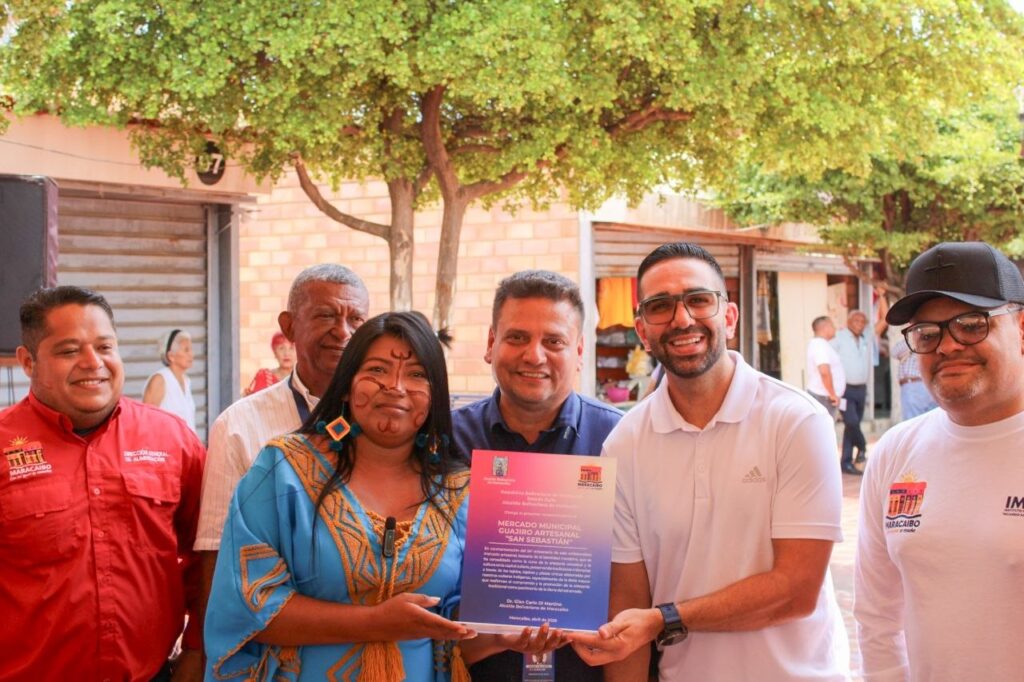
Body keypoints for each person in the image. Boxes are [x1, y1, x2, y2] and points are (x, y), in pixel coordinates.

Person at [205, 311, 563, 680]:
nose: (395, 386)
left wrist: (499, 637)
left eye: (417, 375)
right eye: (377, 370)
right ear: (347, 385)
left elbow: (452, 637)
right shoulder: (283, 472)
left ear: (435, 395)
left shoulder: (459, 492)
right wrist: (376, 622)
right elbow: (244, 610)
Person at [570, 242, 848, 681]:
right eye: (660, 306)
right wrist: (648, 623)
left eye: (698, 300)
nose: (682, 319)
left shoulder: (796, 421)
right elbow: (627, 607)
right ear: (642, 331)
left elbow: (796, 591)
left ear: (729, 317)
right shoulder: (625, 444)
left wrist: (665, 619)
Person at [0, 286, 205, 681]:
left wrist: (197, 648)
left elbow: (210, 552)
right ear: (27, 361)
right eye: (69, 351)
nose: (93, 363)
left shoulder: (172, 439)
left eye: (105, 347)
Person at [855, 241, 1024, 680]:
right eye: (927, 334)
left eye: (971, 325)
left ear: (1021, 328)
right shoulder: (894, 452)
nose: (947, 346)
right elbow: (877, 616)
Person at [452, 269, 622, 682]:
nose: (534, 356)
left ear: (579, 351)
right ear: (491, 344)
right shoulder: (448, 439)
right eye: (517, 337)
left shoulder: (619, 440)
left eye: (554, 341)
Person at [194, 264, 370, 597]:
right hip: (273, 619)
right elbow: (215, 552)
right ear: (289, 326)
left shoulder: (388, 420)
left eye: (356, 320)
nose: (343, 332)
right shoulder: (239, 426)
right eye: (326, 316)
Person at [832, 304, 886, 471]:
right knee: (852, 422)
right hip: (844, 389)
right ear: (849, 322)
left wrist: (882, 296)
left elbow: (885, 320)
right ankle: (862, 447)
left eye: (863, 321)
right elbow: (828, 360)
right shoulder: (839, 336)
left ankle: (846, 462)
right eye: (856, 320)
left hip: (861, 389)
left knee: (851, 427)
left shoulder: (866, 336)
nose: (860, 324)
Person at [143, 328, 197, 432]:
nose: (192, 354)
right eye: (186, 350)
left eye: (191, 349)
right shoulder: (159, 380)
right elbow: (146, 421)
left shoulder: (186, 381)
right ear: (171, 356)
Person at [806, 315, 846, 421]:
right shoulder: (819, 345)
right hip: (823, 397)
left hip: (824, 396)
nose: (835, 328)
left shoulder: (821, 344)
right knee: (823, 428)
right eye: (832, 326)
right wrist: (832, 394)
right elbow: (824, 372)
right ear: (826, 327)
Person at [890, 337, 937, 420]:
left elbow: (894, 352)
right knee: (928, 420)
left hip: (914, 385)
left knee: (913, 421)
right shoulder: (915, 341)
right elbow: (894, 352)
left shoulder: (915, 341)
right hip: (926, 384)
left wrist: (912, 340)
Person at [244, 331, 296, 395]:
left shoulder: (304, 379)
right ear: (274, 352)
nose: (286, 353)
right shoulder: (264, 376)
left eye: (291, 348)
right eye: (281, 348)